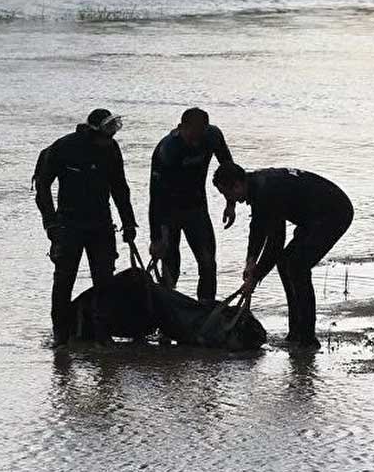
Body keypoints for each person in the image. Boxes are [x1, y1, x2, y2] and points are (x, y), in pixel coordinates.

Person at [212, 164, 353, 350]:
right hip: (312, 216)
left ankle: (308, 338)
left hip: (333, 213)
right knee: (285, 263)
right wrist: (251, 260)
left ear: (237, 185)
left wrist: (255, 278)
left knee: (297, 267)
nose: (229, 200)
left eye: (226, 194)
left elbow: (275, 243)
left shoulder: (268, 191)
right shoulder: (256, 185)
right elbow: (258, 226)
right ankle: (295, 332)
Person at [34, 108, 138, 347]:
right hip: (68, 225)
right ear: (93, 132)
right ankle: (60, 334)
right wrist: (51, 225)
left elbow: (120, 188)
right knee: (64, 279)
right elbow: (42, 187)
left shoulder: (111, 149)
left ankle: (103, 334)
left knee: (105, 279)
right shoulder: (63, 148)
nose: (110, 138)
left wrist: (129, 222)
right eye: (106, 132)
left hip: (101, 224)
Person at [148, 108, 236, 304]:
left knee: (208, 262)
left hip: (196, 208)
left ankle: (205, 307)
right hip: (168, 211)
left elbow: (229, 169)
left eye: (199, 136)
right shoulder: (168, 150)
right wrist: (156, 237)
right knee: (171, 265)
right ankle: (167, 310)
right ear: (181, 128)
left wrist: (231, 203)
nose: (195, 142)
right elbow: (155, 196)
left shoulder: (212, 136)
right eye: (192, 137)